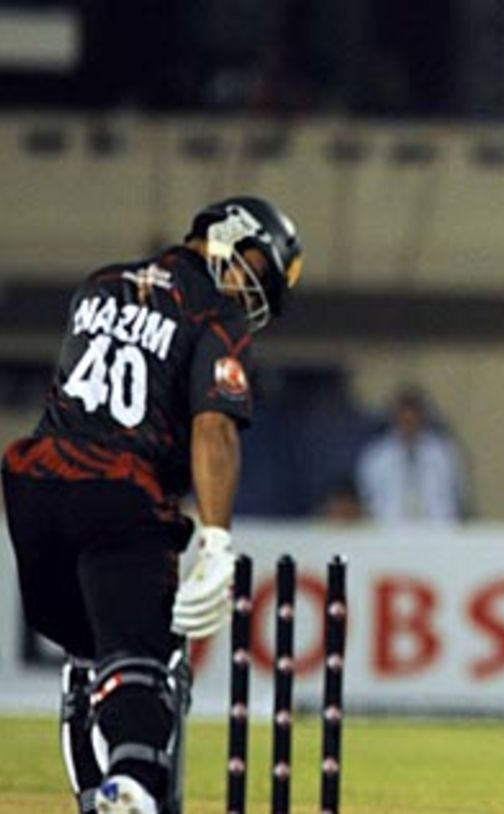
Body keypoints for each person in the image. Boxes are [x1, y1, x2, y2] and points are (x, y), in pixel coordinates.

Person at [2, 197, 302, 814]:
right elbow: (214, 429)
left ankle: (98, 796)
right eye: (257, 268)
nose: (253, 295)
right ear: (226, 237)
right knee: (145, 661)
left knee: (90, 666)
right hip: (119, 495)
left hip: (35, 492)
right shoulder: (215, 315)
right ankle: (133, 787)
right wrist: (217, 540)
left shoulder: (99, 284)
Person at [355, 385, 468, 525]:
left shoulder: (445, 454)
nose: (409, 425)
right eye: (404, 420)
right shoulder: (377, 457)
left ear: (422, 419)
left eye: (413, 420)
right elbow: (367, 498)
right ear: (395, 420)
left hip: (438, 531)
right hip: (389, 532)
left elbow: (459, 494)